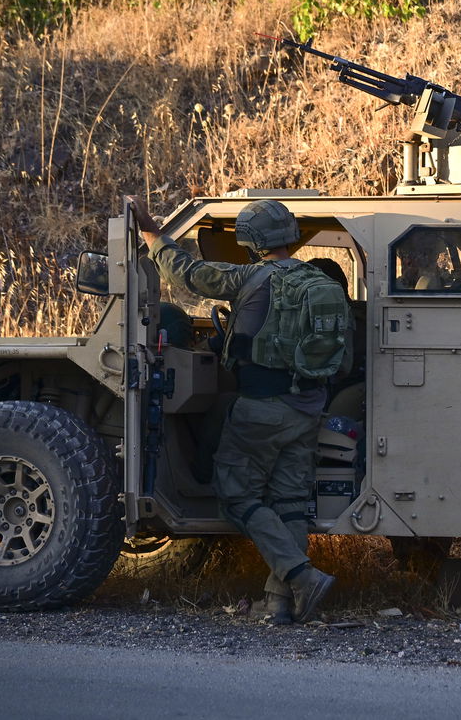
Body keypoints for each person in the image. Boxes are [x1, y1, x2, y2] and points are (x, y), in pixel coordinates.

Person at [128, 195, 337, 626]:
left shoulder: (251, 278)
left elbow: (187, 273)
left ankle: (302, 576)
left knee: (236, 495)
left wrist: (151, 232)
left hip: (262, 409)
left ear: (251, 241)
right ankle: (280, 603)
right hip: (307, 408)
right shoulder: (319, 282)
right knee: (290, 502)